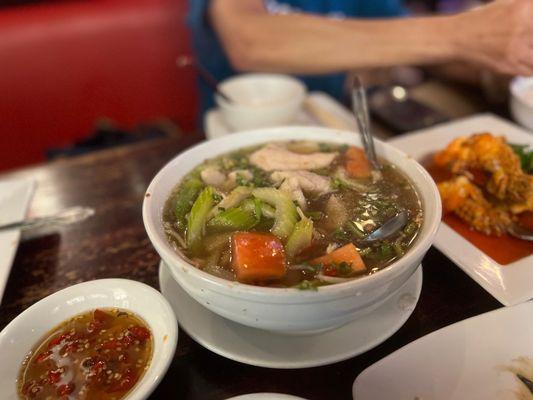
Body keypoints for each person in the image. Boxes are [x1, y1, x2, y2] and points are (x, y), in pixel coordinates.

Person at [188, 0, 533, 113]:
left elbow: (419, 45)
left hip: (340, 124)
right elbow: (250, 42)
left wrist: (504, 63)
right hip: (234, 136)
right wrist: (461, 33)